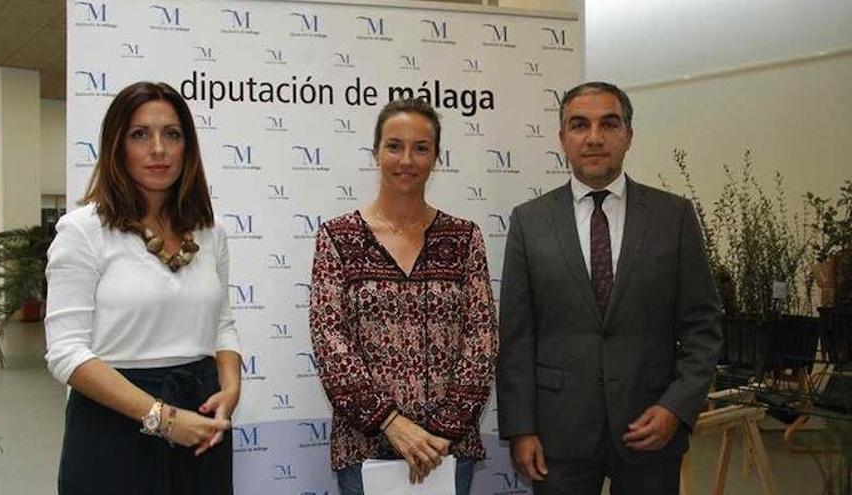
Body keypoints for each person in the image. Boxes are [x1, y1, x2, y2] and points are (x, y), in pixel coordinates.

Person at [496, 81, 722, 495]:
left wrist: (676, 406)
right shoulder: (530, 222)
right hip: (557, 435)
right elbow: (516, 336)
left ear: (628, 136)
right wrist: (521, 427)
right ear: (562, 138)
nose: (595, 137)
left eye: (609, 124)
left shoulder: (674, 217)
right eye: (579, 125)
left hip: (652, 427)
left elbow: (703, 328)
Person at [44, 81, 241, 495]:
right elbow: (66, 353)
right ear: (117, 146)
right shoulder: (82, 231)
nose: (159, 149)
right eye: (140, 134)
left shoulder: (210, 232)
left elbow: (222, 323)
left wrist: (230, 387)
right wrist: (164, 418)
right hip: (115, 428)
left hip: (201, 427)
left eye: (172, 134)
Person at [309, 98, 498, 495]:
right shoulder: (338, 238)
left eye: (421, 148)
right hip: (366, 447)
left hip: (446, 450)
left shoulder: (464, 239)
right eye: (394, 146)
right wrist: (392, 423)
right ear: (376, 152)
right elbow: (331, 342)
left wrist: (440, 434)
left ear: (436, 158)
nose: (407, 159)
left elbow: (480, 341)